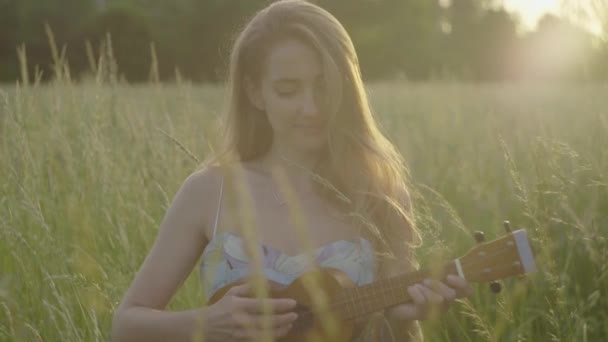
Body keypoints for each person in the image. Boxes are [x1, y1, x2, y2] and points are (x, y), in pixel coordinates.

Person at [111, 0, 473, 341]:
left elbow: (403, 332)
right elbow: (126, 325)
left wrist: (409, 315)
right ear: (255, 93)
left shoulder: (379, 191)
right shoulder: (209, 192)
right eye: (288, 90)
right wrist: (205, 324)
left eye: (324, 86)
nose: (311, 108)